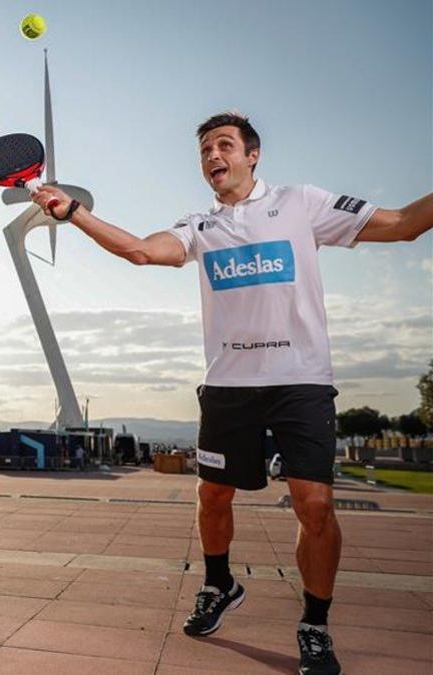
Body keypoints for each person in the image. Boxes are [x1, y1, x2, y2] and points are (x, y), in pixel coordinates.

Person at [31, 111, 431, 675]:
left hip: (301, 383)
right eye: (204, 150)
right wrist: (74, 214)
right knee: (213, 497)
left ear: (252, 154)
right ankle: (219, 585)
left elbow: (406, 224)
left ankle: (314, 625)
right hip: (228, 388)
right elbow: (142, 251)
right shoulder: (201, 225)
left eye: (223, 145)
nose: (212, 156)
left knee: (314, 504)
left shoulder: (300, 203)